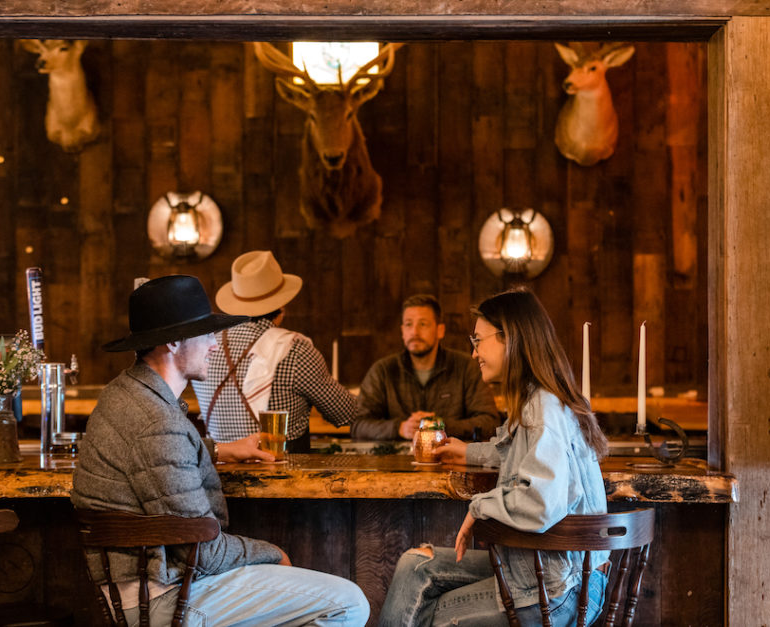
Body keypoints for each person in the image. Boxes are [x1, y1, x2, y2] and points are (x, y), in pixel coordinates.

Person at [72, 275, 369, 627]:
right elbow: (204, 550)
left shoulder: (124, 394)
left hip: (137, 592)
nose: (215, 344)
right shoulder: (156, 420)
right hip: (162, 598)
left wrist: (221, 450)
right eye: (207, 333)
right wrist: (273, 553)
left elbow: (154, 458)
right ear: (173, 342)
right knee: (349, 603)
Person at [378, 289, 610, 627]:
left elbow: (540, 503)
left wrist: (479, 507)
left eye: (478, 341)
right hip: (538, 567)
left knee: (422, 614)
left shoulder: (542, 406)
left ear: (510, 339)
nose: (474, 354)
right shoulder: (538, 400)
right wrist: (467, 450)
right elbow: (521, 454)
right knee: (415, 566)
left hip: (557, 589)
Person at [192, 251, 358, 453]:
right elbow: (345, 413)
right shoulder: (295, 351)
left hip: (218, 475)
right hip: (283, 476)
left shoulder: (203, 346)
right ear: (281, 305)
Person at [350, 294, 500, 442]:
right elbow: (358, 425)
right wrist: (399, 428)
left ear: (440, 330)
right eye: (409, 324)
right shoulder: (383, 371)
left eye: (423, 324)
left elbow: (490, 423)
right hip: (394, 461)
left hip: (450, 460)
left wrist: (438, 425)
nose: (414, 332)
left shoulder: (465, 367)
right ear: (402, 331)